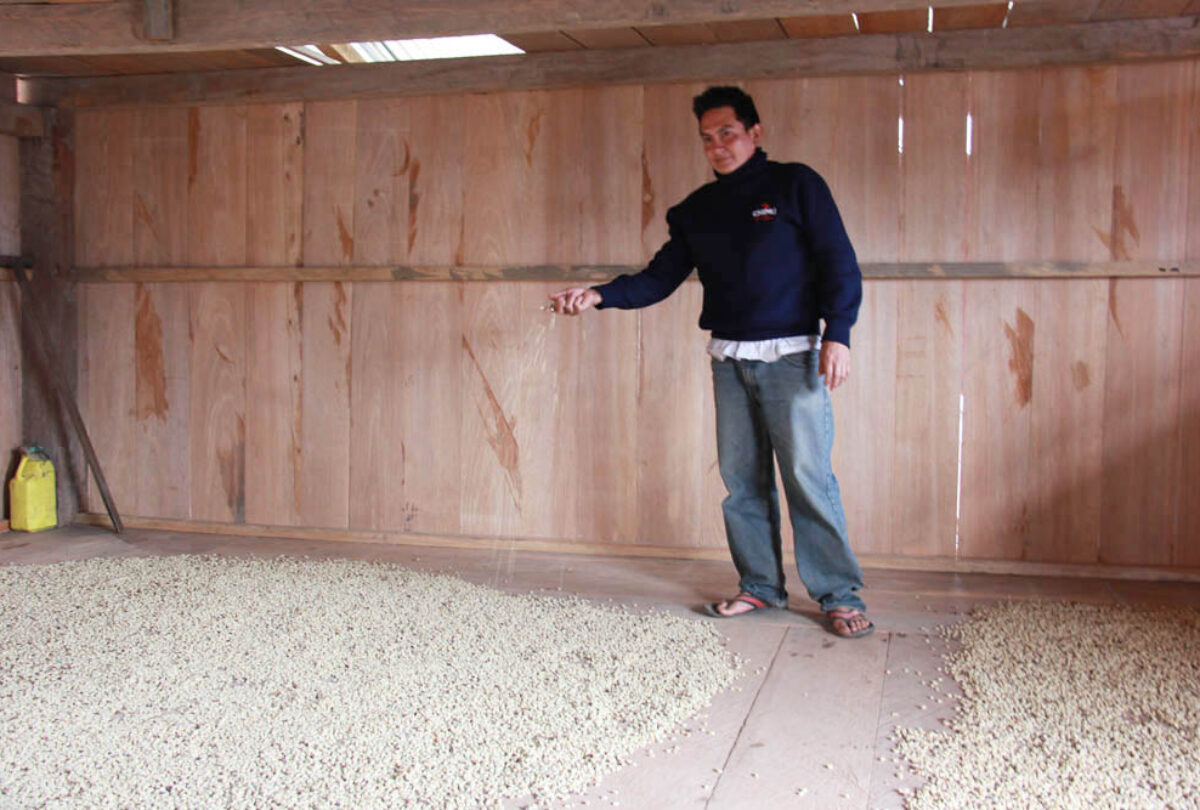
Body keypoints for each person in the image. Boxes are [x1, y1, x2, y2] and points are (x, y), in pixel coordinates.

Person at [549, 86, 872, 639]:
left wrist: (837, 334)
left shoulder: (797, 185)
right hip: (729, 361)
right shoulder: (697, 211)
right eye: (708, 138)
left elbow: (838, 262)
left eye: (728, 133)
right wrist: (598, 294)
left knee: (808, 479)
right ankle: (761, 587)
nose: (718, 146)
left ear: (754, 133)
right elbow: (657, 278)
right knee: (742, 483)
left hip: (795, 357)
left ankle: (839, 595)